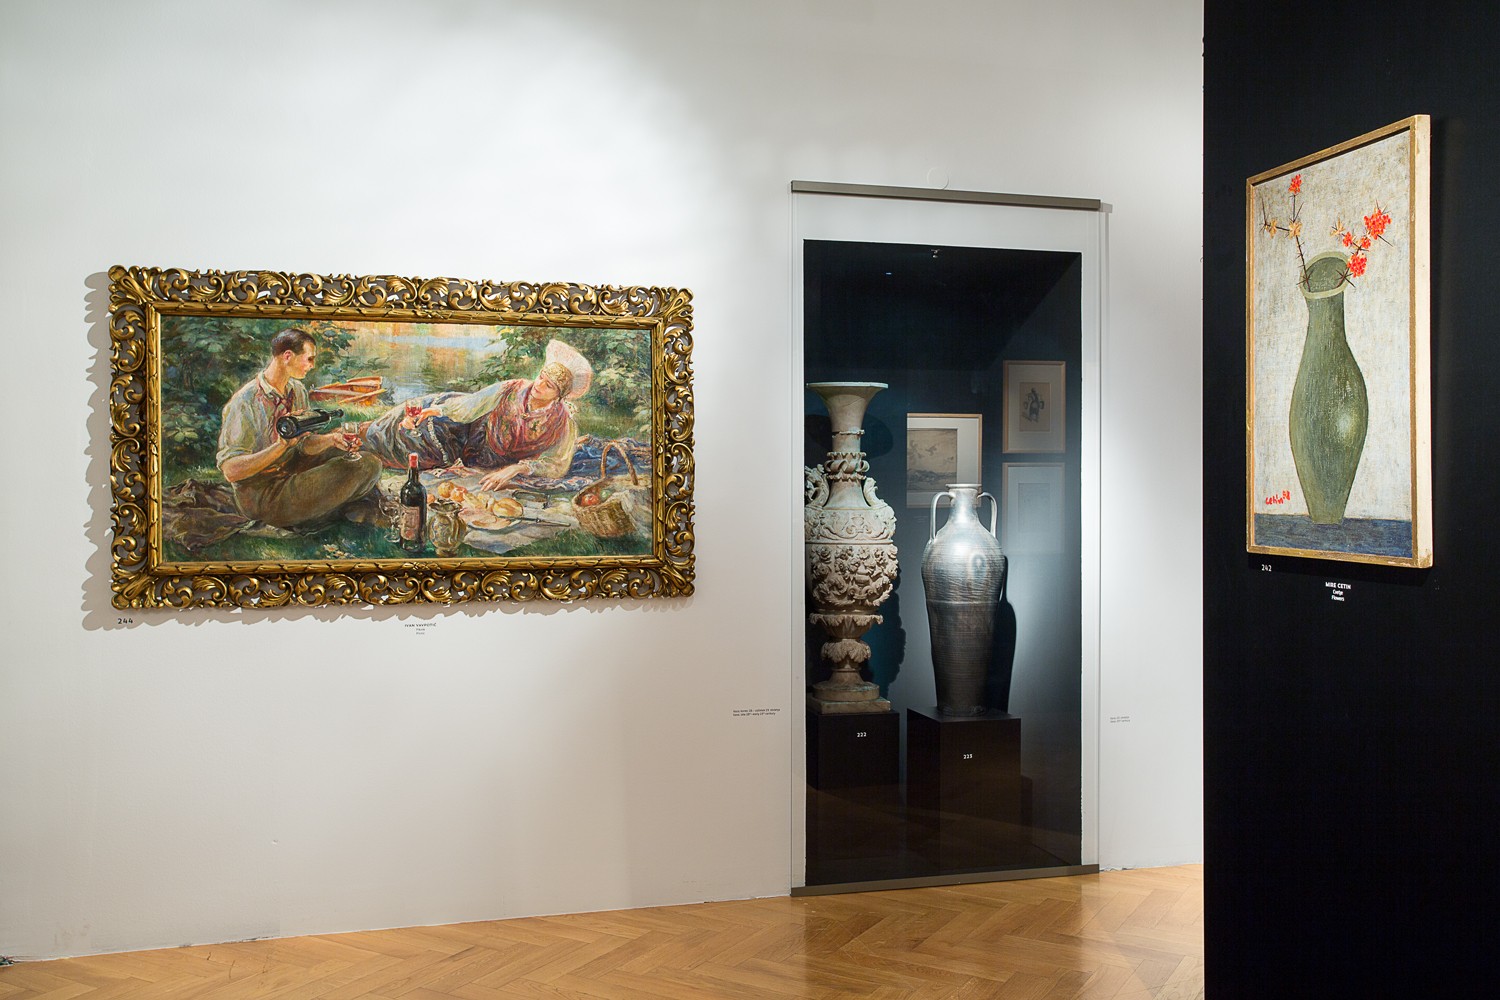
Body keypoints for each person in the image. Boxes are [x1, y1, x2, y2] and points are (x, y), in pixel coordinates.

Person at [361, 341, 590, 492]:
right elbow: (472, 404)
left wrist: (516, 469)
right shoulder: (512, 389)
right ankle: (368, 437)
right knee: (418, 426)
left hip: (494, 459)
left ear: (559, 396)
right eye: (541, 377)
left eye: (549, 385)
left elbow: (556, 465)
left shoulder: (563, 423)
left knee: (422, 454)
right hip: (472, 431)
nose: (539, 385)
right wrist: (437, 410)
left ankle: (368, 449)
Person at [216, 327, 382, 528]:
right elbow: (231, 471)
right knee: (360, 467)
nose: (312, 365)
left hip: (293, 470)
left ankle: (334, 506)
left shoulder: (296, 390)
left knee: (368, 461)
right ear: (287, 356)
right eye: (309, 359)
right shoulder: (245, 401)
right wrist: (281, 446)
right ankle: (337, 509)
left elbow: (304, 444)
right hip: (263, 494)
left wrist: (331, 439)